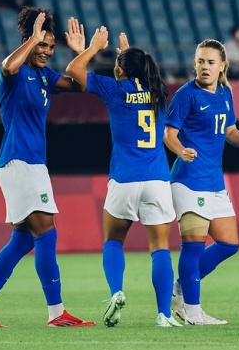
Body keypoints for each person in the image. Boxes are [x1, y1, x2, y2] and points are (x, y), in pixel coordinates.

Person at [0, 7, 95, 328]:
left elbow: (78, 84)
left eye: (51, 47)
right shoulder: (15, 72)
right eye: (42, 45)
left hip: (33, 163)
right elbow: (7, 66)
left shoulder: (44, 76)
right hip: (19, 160)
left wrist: (83, 53)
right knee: (46, 233)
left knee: (23, 240)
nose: (47, 51)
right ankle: (56, 312)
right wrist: (32, 40)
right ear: (29, 41)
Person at [65, 27, 182, 328]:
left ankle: (117, 291)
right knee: (160, 249)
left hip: (125, 179)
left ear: (119, 70)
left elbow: (74, 71)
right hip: (157, 180)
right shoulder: (160, 92)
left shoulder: (115, 91)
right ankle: (164, 315)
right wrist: (128, 57)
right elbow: (139, 77)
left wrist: (91, 49)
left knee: (113, 241)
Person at [164, 39, 239, 325]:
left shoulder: (225, 94)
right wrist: (181, 151)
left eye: (211, 62)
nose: (205, 67)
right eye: (200, 61)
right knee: (192, 245)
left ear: (222, 66)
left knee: (229, 244)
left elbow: (229, 129)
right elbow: (169, 134)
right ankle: (193, 312)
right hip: (189, 180)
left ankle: (180, 286)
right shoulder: (185, 95)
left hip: (214, 181)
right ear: (194, 64)